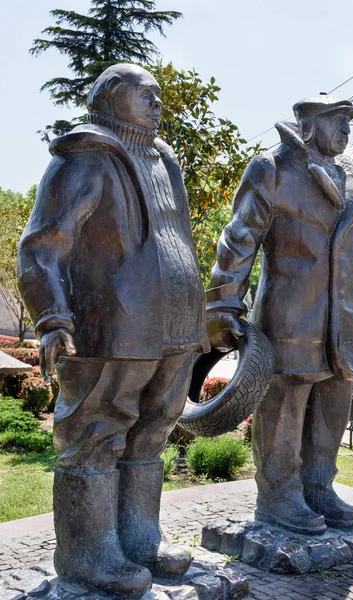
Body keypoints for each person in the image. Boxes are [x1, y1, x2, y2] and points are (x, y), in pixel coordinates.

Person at [18, 63, 209, 597]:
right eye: (145, 93)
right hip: (112, 328)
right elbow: (42, 244)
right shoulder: (83, 157)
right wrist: (53, 318)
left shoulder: (164, 157)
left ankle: (139, 539)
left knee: (152, 430)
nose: (157, 102)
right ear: (111, 97)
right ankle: (88, 554)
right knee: (96, 435)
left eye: (159, 94)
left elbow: (178, 236)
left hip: (173, 324)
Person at [206, 94, 353, 535]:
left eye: (349, 123)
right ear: (308, 125)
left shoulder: (351, 175)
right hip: (290, 311)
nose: (346, 131)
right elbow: (238, 239)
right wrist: (223, 304)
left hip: (342, 316)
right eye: (337, 121)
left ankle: (319, 487)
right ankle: (279, 495)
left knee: (334, 397)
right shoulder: (272, 168)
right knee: (286, 402)